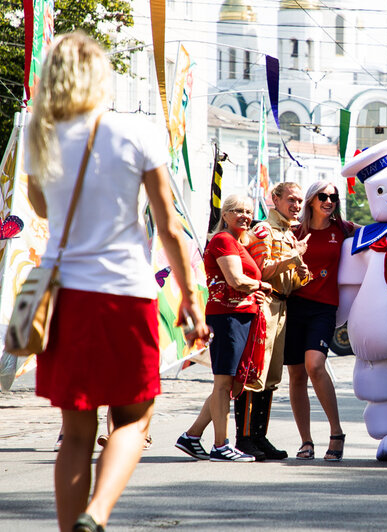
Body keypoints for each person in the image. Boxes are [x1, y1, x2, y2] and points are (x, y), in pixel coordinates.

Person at [24, 32, 210, 532]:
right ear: (100, 75)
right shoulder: (138, 132)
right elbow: (169, 225)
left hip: (65, 298)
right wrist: (191, 299)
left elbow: (41, 210)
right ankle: (97, 512)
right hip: (126, 294)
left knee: (76, 432)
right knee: (134, 418)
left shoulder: (38, 134)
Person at [176, 195, 269, 463]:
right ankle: (221, 445)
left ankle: (192, 436)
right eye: (237, 210)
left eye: (248, 211)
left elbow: (242, 284)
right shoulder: (223, 240)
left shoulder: (239, 243)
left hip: (242, 316)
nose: (244, 215)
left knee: (233, 384)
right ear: (225, 215)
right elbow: (236, 280)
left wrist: (255, 295)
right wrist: (261, 287)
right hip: (227, 316)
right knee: (223, 382)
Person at [233, 182, 311, 460]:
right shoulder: (264, 231)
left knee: (272, 377)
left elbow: (295, 278)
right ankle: (243, 438)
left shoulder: (289, 234)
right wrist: (291, 260)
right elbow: (259, 273)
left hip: (283, 306)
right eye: (291, 200)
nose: (297, 206)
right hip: (264, 304)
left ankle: (259, 436)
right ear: (275, 200)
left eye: (300, 201)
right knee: (255, 373)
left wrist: (301, 271)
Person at [285, 181, 357, 461]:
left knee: (315, 365)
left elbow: (376, 236)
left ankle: (336, 433)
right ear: (311, 200)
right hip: (293, 306)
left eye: (333, 197)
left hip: (324, 308)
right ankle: (306, 441)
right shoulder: (294, 231)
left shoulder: (343, 229)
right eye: (323, 196)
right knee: (296, 375)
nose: (329, 201)